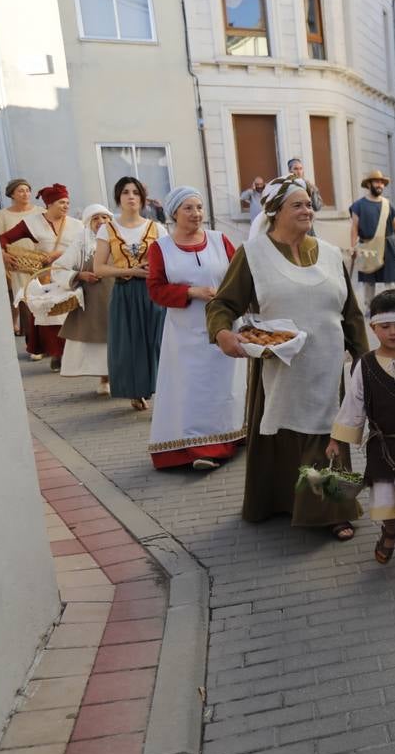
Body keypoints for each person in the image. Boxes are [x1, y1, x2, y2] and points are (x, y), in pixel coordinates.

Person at [207, 175, 368, 539]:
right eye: (297, 204)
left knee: (326, 436)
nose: (307, 209)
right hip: (278, 364)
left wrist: (362, 357)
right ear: (274, 211)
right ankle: (282, 502)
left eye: (309, 203)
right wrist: (222, 333)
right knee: (284, 434)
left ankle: (333, 511)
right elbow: (223, 303)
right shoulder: (252, 255)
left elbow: (351, 313)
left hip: (327, 366)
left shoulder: (329, 254)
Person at [328, 290, 395, 583]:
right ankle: (389, 530)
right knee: (388, 507)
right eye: (385, 326)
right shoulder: (364, 365)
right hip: (382, 449)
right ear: (373, 328)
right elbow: (354, 404)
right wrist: (338, 439)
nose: (392, 332)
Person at [146, 187, 247, 471]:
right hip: (185, 332)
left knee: (225, 385)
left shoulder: (219, 240)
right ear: (174, 213)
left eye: (199, 207)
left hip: (223, 326)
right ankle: (199, 447)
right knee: (193, 389)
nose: (196, 214)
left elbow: (239, 276)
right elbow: (155, 290)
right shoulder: (161, 248)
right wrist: (191, 291)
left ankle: (231, 435)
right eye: (188, 208)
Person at [95, 176, 168, 411]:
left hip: (152, 291)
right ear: (118, 198)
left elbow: (169, 261)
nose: (131, 197)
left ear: (142, 198)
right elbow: (99, 268)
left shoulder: (156, 228)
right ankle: (136, 391)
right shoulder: (108, 230)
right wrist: (131, 271)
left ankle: (163, 388)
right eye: (126, 192)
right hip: (125, 291)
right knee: (130, 343)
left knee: (157, 341)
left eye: (136, 192)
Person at [0, 183, 84, 369]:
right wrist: (5, 255)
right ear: (50, 204)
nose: (66, 206)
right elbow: (3, 238)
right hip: (45, 276)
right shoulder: (33, 222)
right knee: (50, 315)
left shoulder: (77, 225)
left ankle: (69, 354)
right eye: (61, 202)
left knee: (71, 314)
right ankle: (57, 353)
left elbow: (85, 247)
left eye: (67, 202)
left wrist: (59, 255)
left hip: (69, 274)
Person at [51, 204, 114, 393]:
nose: (101, 222)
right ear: (88, 222)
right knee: (100, 339)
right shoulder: (82, 242)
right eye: (96, 219)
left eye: (105, 217)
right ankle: (105, 378)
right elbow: (58, 268)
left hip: (120, 294)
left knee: (120, 337)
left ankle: (124, 378)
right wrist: (80, 276)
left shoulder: (120, 239)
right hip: (95, 299)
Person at [350, 170, 395, 309]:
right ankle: (369, 308)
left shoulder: (387, 204)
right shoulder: (359, 205)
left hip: (386, 245)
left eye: (382, 182)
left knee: (390, 279)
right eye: (377, 182)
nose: (380, 185)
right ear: (369, 184)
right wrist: (353, 247)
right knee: (368, 281)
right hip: (367, 245)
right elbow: (354, 227)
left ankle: (391, 307)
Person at [0, 177, 41, 336]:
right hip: (17, 264)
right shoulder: (2, 215)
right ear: (12, 194)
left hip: (40, 262)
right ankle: (32, 340)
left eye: (27, 190)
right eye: (20, 191)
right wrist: (3, 255)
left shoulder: (39, 212)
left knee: (42, 300)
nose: (25, 194)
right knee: (24, 300)